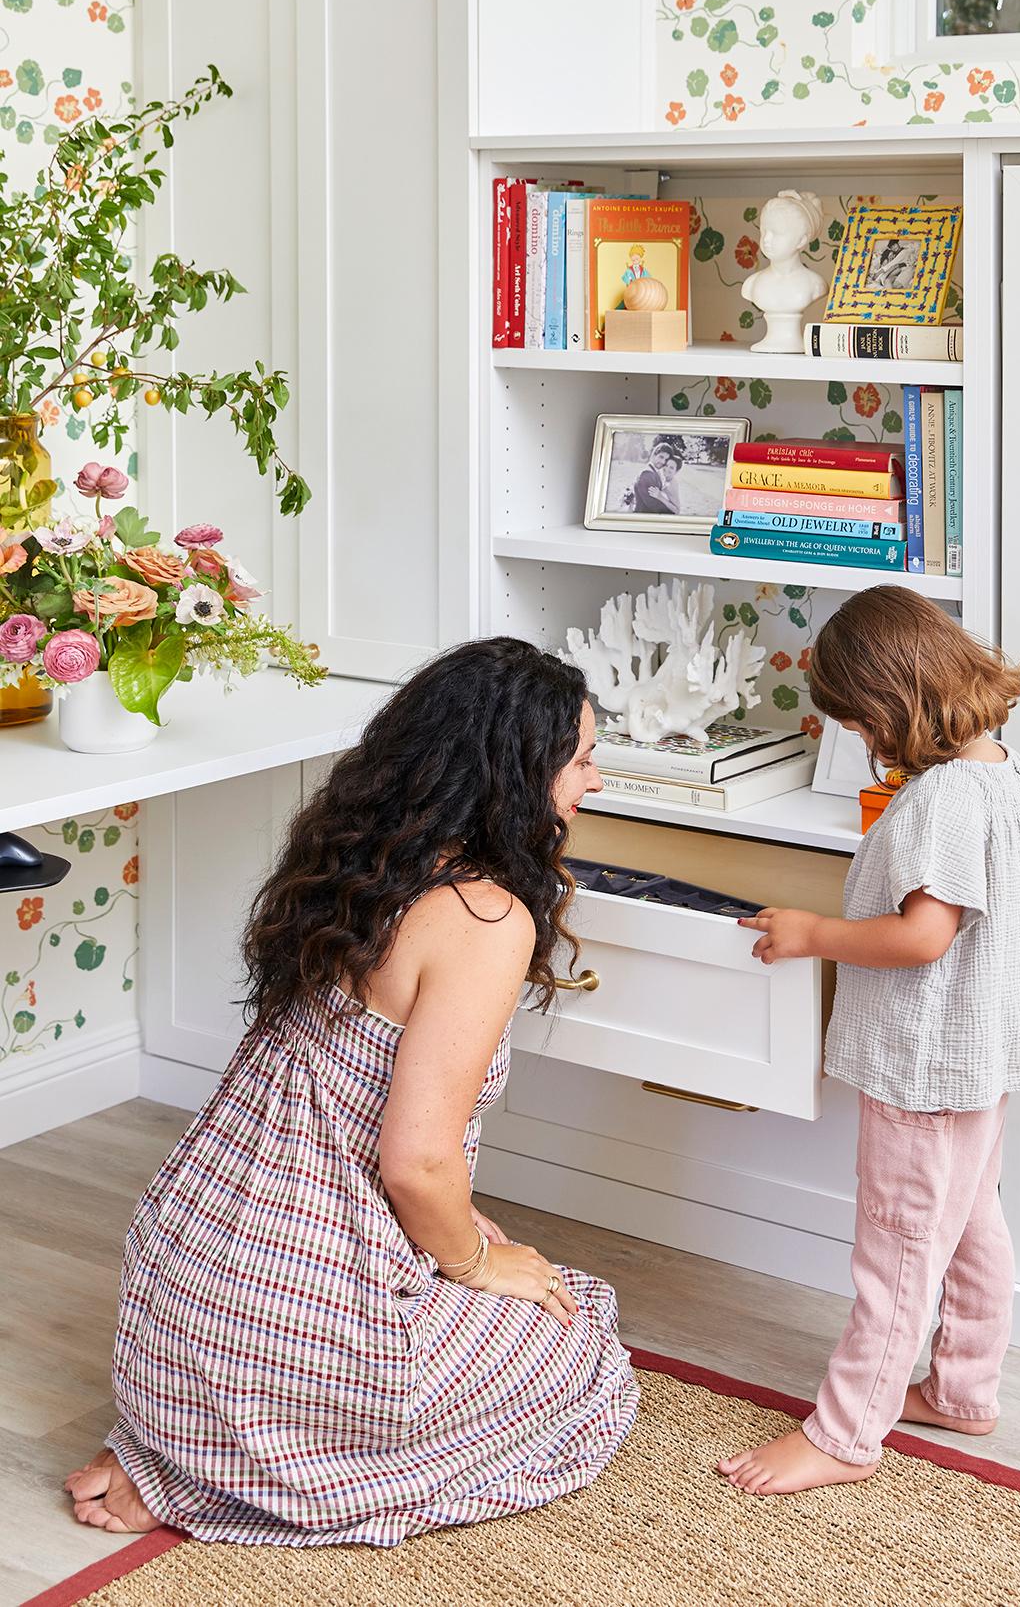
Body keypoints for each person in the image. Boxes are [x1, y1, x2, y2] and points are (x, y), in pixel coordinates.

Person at [65, 639, 638, 1543]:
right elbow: (412, 1162)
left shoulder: (357, 866)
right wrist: (476, 1264)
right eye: (582, 759)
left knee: (491, 1263)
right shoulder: (484, 918)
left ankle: (173, 1445)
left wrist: (460, 1229)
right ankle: (209, 1477)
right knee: (581, 1333)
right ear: (515, 775)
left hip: (176, 1287)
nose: (594, 780)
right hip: (285, 1322)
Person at [719, 585, 1020, 1495]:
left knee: (898, 1248)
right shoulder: (997, 767)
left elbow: (923, 936)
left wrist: (810, 933)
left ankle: (844, 1434)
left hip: (927, 1066)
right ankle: (962, 1388)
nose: (861, 745)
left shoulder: (944, 799)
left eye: (856, 725)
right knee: (966, 1225)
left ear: (887, 704)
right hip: (972, 1059)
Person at [630, 441, 683, 515]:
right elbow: (653, 504)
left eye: (666, 459)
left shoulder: (655, 472)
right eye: (661, 457)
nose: (663, 462)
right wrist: (672, 512)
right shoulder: (647, 474)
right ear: (654, 455)